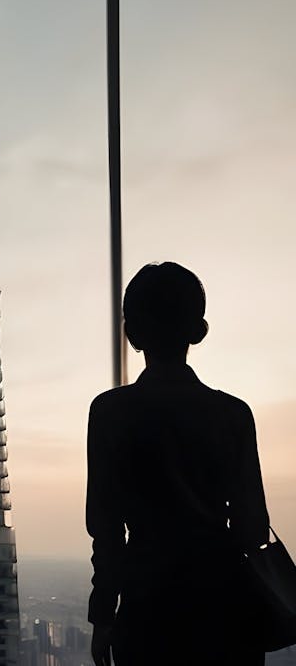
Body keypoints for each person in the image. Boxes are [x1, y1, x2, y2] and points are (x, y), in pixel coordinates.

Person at [86, 262, 269, 666]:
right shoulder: (233, 414)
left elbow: (107, 529)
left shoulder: (110, 412)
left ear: (132, 333)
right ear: (198, 330)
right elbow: (251, 527)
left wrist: (103, 616)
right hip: (224, 609)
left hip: (147, 607)